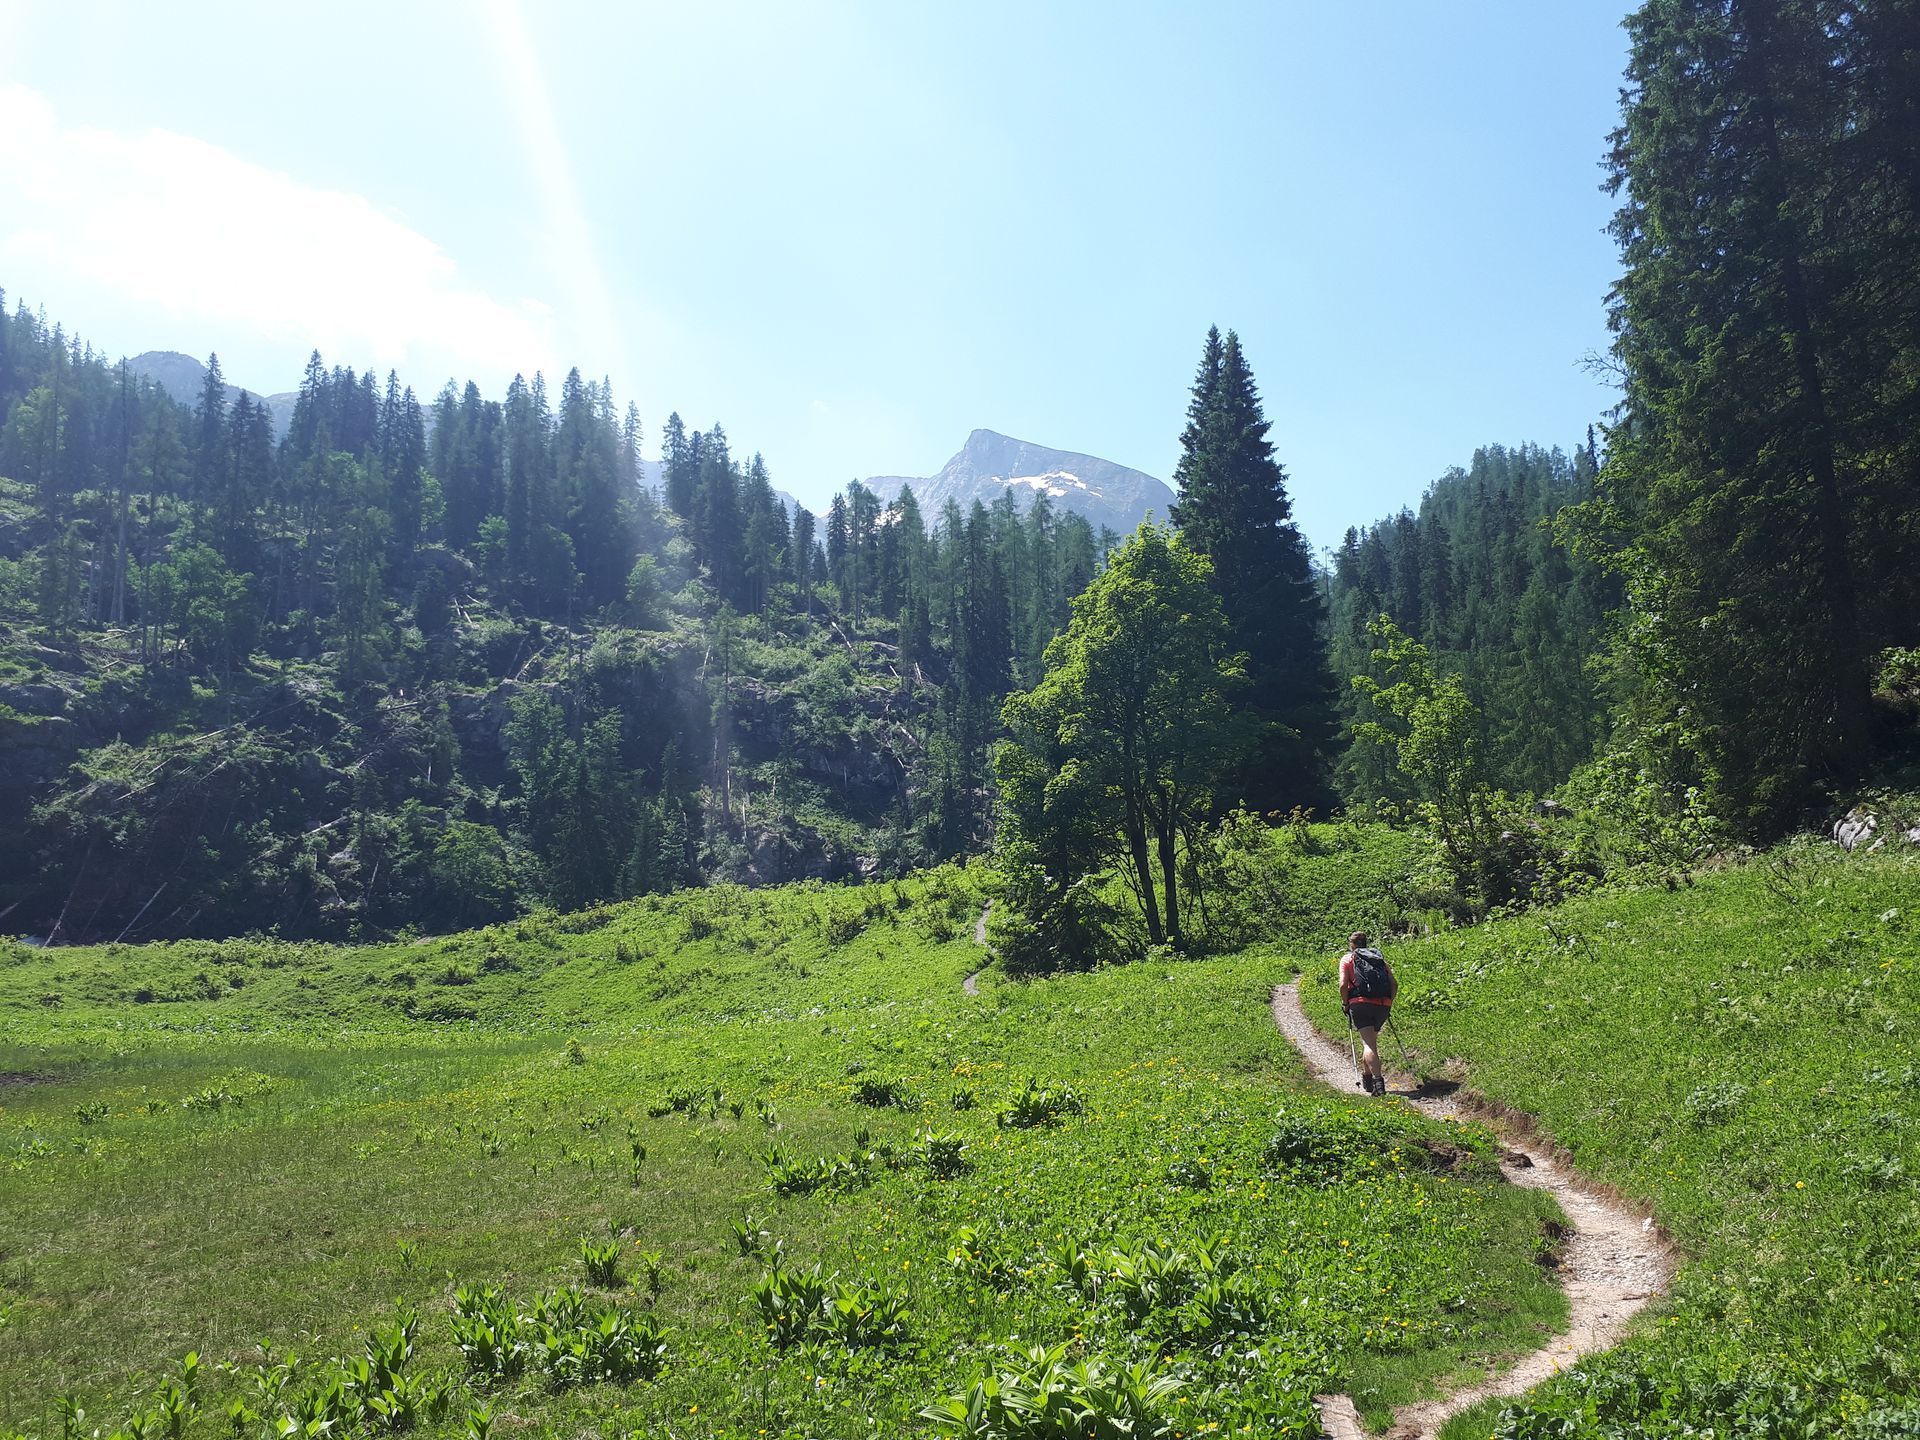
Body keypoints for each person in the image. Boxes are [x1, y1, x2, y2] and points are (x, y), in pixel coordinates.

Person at [1338, 931, 1397, 1096]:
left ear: (1352, 945)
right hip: (1383, 1004)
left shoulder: (1348, 959)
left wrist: (1345, 1004)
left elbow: (1343, 985)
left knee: (1368, 1045)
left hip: (1360, 1004)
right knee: (1371, 1042)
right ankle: (1367, 1078)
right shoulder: (1378, 958)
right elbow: (1394, 984)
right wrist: (1388, 1003)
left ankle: (1379, 1083)